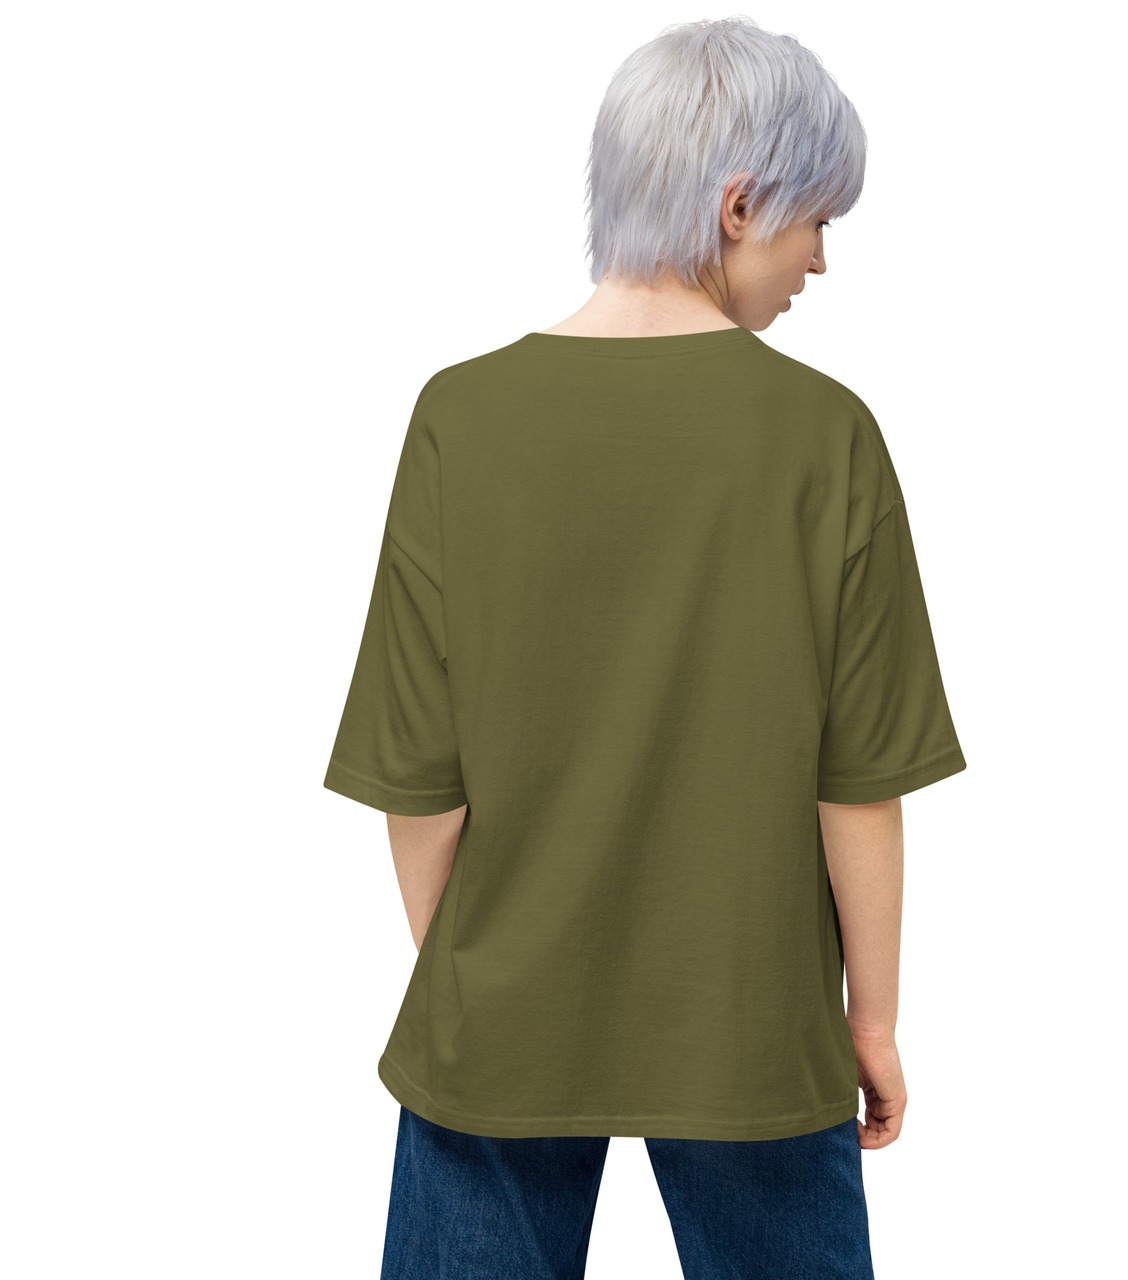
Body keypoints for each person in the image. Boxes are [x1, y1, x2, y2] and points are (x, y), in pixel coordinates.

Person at [323, 16, 966, 1279]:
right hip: (752, 1025)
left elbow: (417, 782)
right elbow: (857, 783)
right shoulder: (824, 436)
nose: (820, 259)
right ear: (738, 206)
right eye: (813, 221)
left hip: (498, 1019)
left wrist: (489, 985)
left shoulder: (459, 418)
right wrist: (871, 1020)